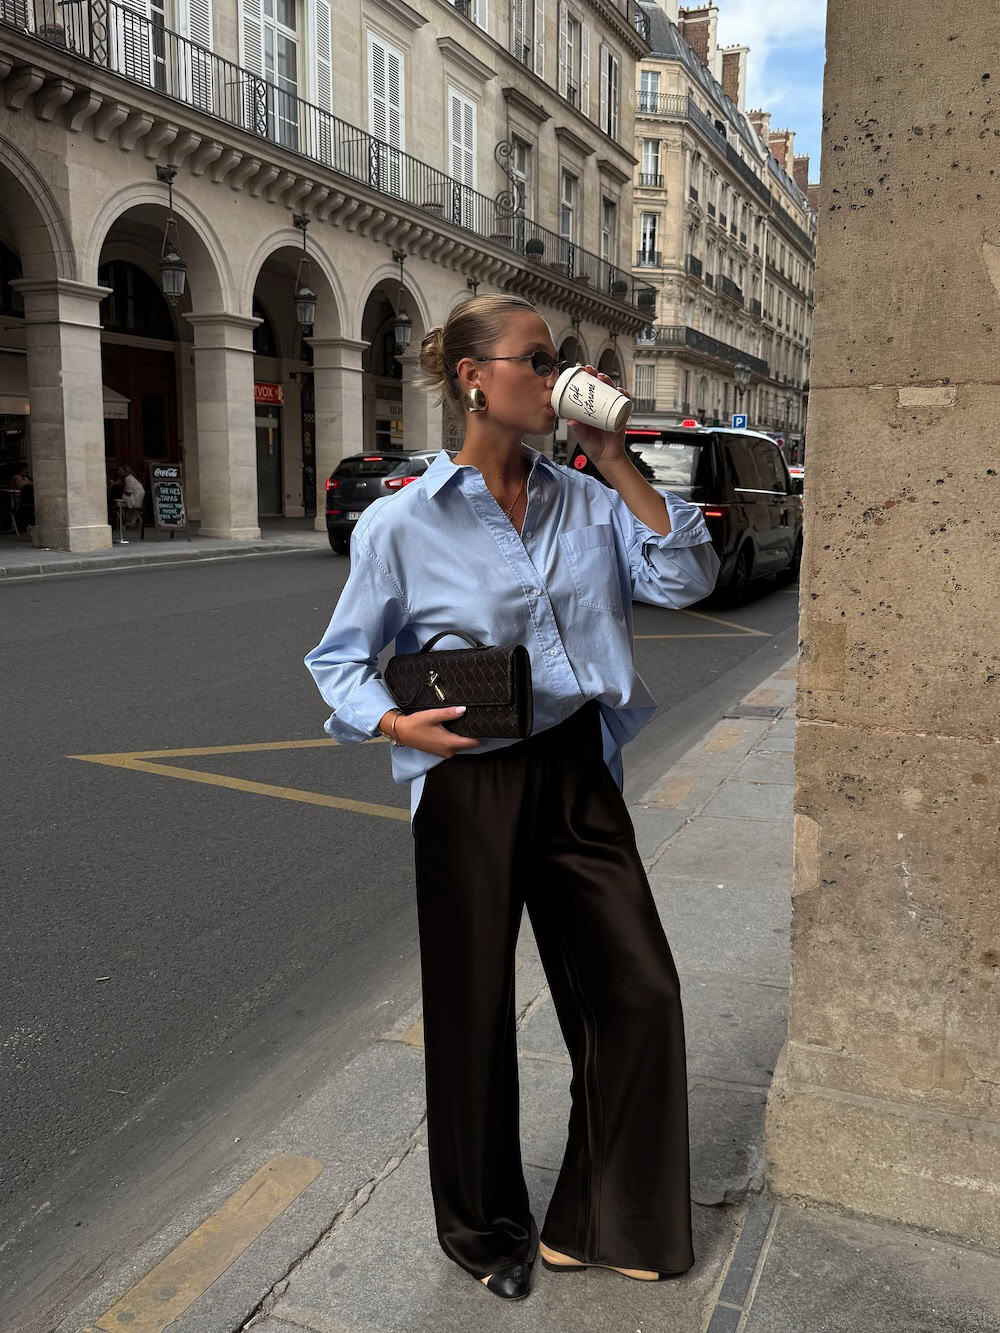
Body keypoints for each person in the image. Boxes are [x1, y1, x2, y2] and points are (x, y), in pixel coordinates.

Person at [304, 294, 720, 1302]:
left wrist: (614, 455)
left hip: (577, 766)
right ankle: (485, 1230)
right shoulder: (404, 522)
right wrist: (397, 727)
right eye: (536, 361)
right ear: (472, 377)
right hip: (470, 777)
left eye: (557, 360)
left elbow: (688, 574)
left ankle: (603, 1212)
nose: (553, 375)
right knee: (473, 1011)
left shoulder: (586, 498)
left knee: (637, 992)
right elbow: (340, 659)